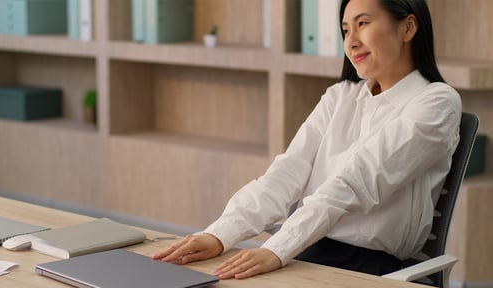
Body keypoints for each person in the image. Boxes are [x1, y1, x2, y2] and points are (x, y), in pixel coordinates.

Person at [153, 0, 462, 280]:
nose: (351, 41)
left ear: (408, 27)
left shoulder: (436, 102)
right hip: (307, 248)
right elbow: (285, 174)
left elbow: (355, 182)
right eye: (345, 29)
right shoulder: (340, 96)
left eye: (363, 24)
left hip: (371, 266)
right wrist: (220, 234)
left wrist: (278, 248)